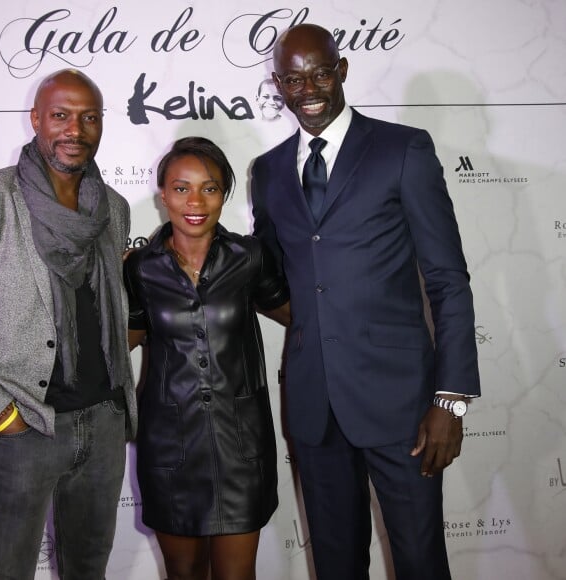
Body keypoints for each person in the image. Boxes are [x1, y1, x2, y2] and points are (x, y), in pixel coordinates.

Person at [251, 23, 481, 580]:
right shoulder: (269, 171)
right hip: (313, 405)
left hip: (404, 406)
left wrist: (450, 401)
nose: (309, 89)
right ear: (278, 84)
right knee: (334, 564)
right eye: (294, 78)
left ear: (343, 70)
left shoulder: (403, 149)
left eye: (321, 73)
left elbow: (448, 279)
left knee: (421, 561)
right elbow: (266, 274)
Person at [0, 69, 137, 579]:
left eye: (89, 117)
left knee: (87, 569)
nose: (75, 129)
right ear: (35, 119)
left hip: (102, 422)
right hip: (22, 425)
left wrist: (116, 406)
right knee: (6, 569)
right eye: (61, 115)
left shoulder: (112, 208)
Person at [124, 137, 290, 580]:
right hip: (170, 449)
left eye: (209, 188)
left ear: (224, 194)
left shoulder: (251, 257)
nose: (195, 201)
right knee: (184, 574)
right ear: (163, 194)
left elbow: (303, 315)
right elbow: (122, 342)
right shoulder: (139, 267)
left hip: (242, 447)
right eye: (181, 188)